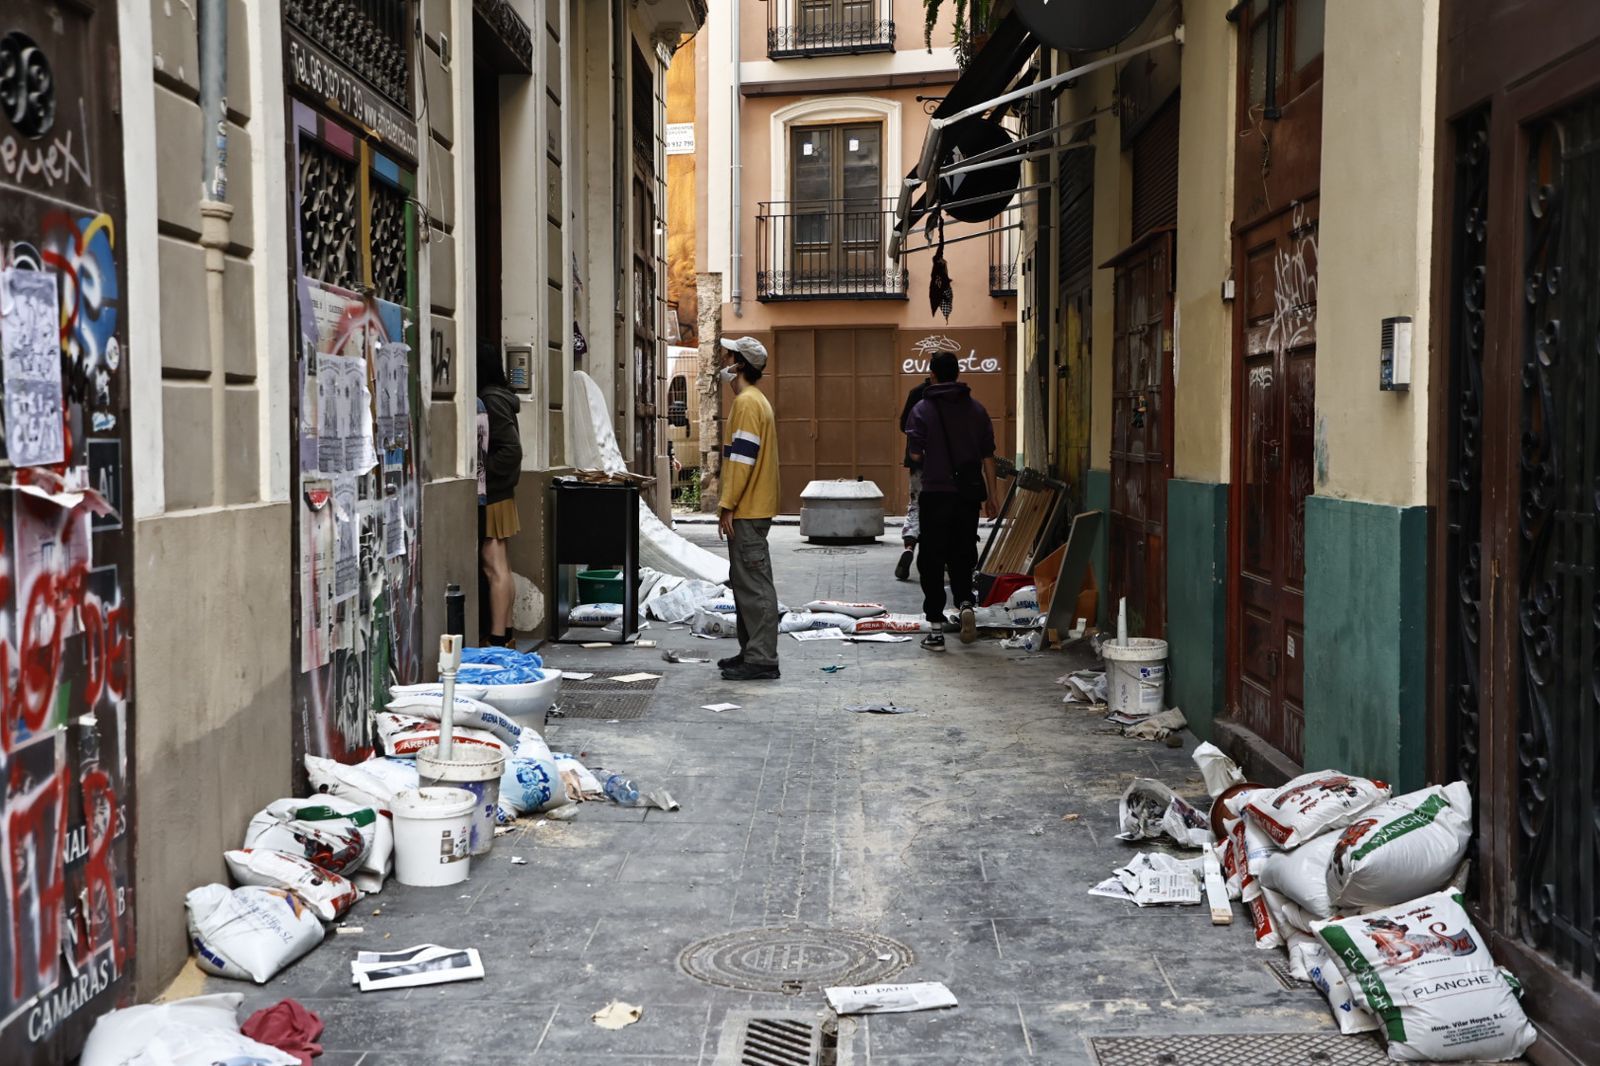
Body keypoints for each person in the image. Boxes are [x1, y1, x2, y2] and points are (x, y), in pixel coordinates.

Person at [904, 351, 998, 651]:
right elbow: (988, 457)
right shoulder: (978, 410)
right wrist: (993, 497)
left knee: (932, 559)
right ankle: (966, 604)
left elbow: (915, 454)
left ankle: (935, 630)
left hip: (935, 494)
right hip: (968, 495)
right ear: (958, 374)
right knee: (962, 552)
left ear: (932, 374)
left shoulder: (921, 410)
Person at [715, 336, 782, 680]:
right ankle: (751, 652)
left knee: (754, 586)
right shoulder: (755, 401)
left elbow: (741, 460)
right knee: (745, 584)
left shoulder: (747, 404)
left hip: (747, 510)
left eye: (728, 355)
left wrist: (727, 504)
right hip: (753, 508)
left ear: (740, 364)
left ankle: (762, 659)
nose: (723, 360)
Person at [477, 342, 523, 646]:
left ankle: (496, 637)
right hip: (500, 491)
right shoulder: (499, 397)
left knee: (493, 566)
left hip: (493, 492)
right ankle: (505, 634)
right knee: (500, 564)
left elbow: (511, 450)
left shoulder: (490, 400)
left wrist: (482, 472)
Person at [896, 376, 930, 581]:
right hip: (945, 466)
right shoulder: (953, 397)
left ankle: (909, 546)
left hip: (919, 463)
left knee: (916, 505)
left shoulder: (917, 392)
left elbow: (903, 425)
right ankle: (937, 558)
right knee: (940, 509)